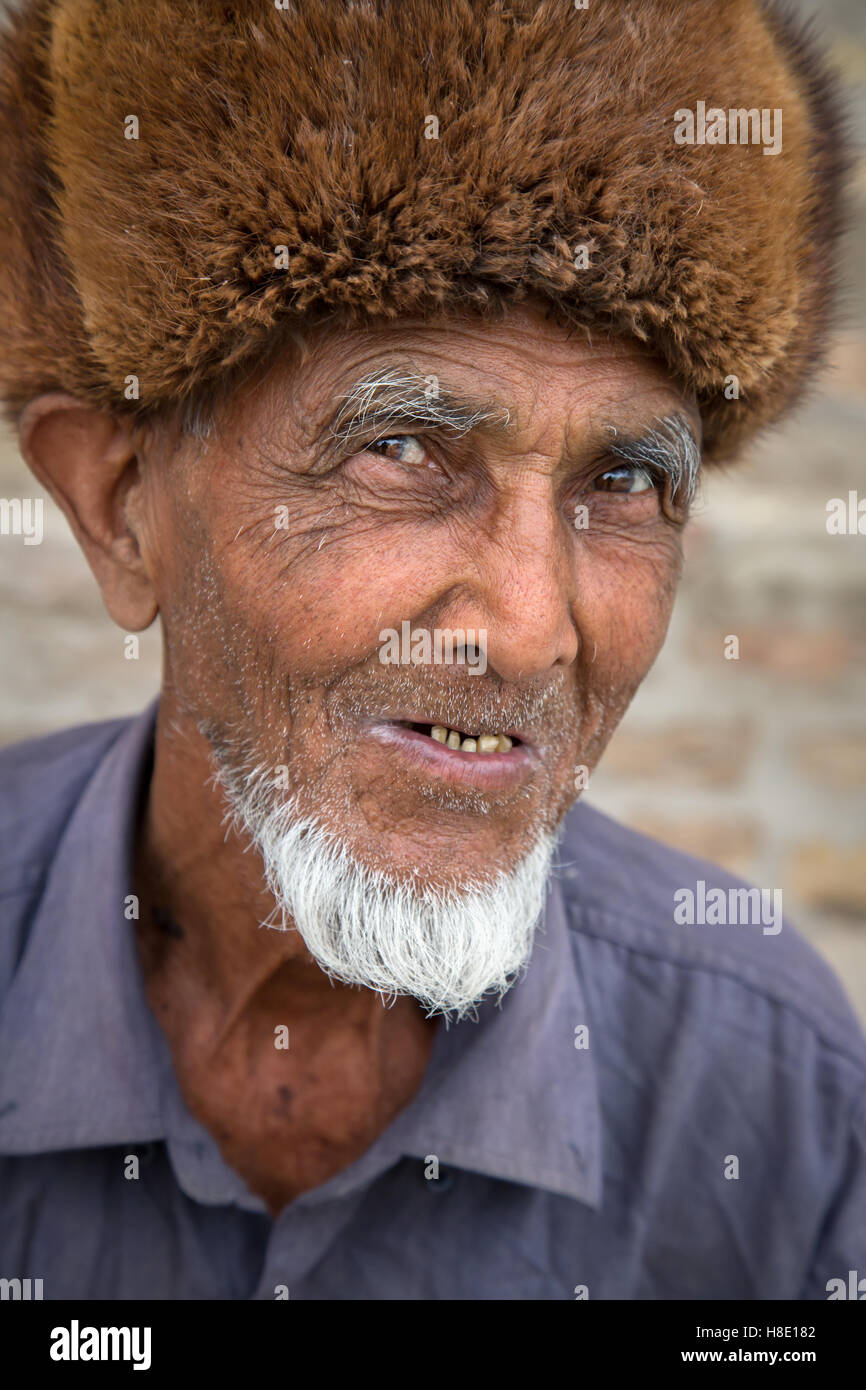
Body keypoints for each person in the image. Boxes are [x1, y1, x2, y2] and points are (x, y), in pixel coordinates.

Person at [0, 0, 863, 1300]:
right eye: (400, 450)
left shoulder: (768, 1082)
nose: (531, 628)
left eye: (623, 480)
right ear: (121, 508)